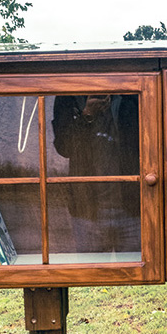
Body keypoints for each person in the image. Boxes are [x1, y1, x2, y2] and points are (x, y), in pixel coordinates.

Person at [51, 93, 140, 255]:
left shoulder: (133, 92)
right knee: (91, 273)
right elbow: (64, 147)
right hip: (88, 209)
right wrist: (87, 115)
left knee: (136, 274)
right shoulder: (68, 95)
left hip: (133, 206)